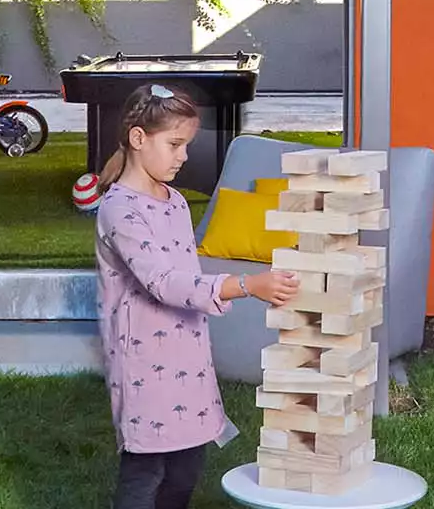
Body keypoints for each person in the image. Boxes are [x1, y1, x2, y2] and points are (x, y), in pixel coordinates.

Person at [95, 83, 302, 509]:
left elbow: (188, 274)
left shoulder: (173, 201)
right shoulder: (121, 210)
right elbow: (164, 282)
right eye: (174, 144)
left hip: (187, 355)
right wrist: (247, 284)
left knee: (187, 465)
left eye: (185, 145)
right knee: (146, 468)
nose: (183, 156)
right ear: (138, 138)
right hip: (143, 363)